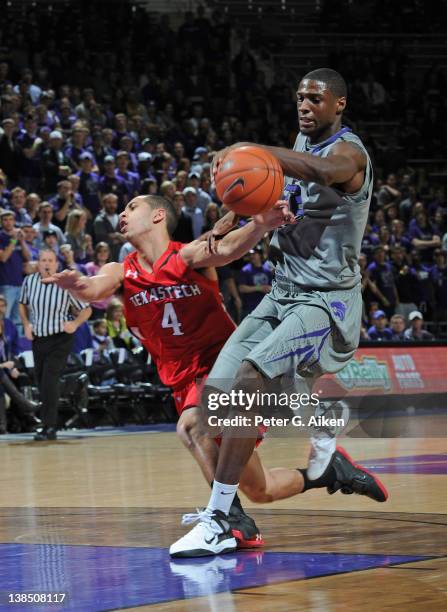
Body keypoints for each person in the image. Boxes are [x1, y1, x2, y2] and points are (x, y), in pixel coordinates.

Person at [46, 192, 386, 550]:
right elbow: (94, 286)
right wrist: (78, 286)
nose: (123, 214)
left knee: (192, 424)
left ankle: (227, 521)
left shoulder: (186, 255)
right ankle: (330, 473)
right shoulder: (123, 271)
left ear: (159, 215)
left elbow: (226, 250)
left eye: (133, 207)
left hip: (226, 369)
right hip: (181, 382)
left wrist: (258, 223)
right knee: (260, 489)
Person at [168, 67, 388, 557]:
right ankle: (319, 458)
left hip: (324, 303)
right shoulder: (299, 143)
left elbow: (318, 173)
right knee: (215, 403)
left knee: (251, 375)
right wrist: (231, 216)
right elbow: (278, 191)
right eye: (299, 99)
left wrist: (253, 152)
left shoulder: (350, 155)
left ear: (339, 105)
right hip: (282, 293)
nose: (305, 106)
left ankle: (221, 518)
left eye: (315, 99)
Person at [19, 249, 91, 440]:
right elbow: (22, 303)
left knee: (49, 381)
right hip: (39, 339)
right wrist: (26, 325)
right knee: (41, 382)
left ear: (57, 264)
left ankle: (49, 427)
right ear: (38, 263)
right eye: (43, 260)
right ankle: (50, 417)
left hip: (60, 339)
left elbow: (86, 310)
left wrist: (74, 324)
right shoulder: (30, 281)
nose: (47, 263)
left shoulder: (65, 284)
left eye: (50, 260)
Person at [0, 211, 31, 323]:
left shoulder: (18, 237)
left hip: (19, 283)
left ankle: (16, 341)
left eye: (10, 219)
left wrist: (22, 241)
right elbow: (3, 257)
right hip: (6, 284)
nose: (8, 222)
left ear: (14, 221)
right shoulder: (1, 236)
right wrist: (13, 240)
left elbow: (28, 257)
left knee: (18, 320)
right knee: (5, 317)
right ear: (1, 222)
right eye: (5, 220)